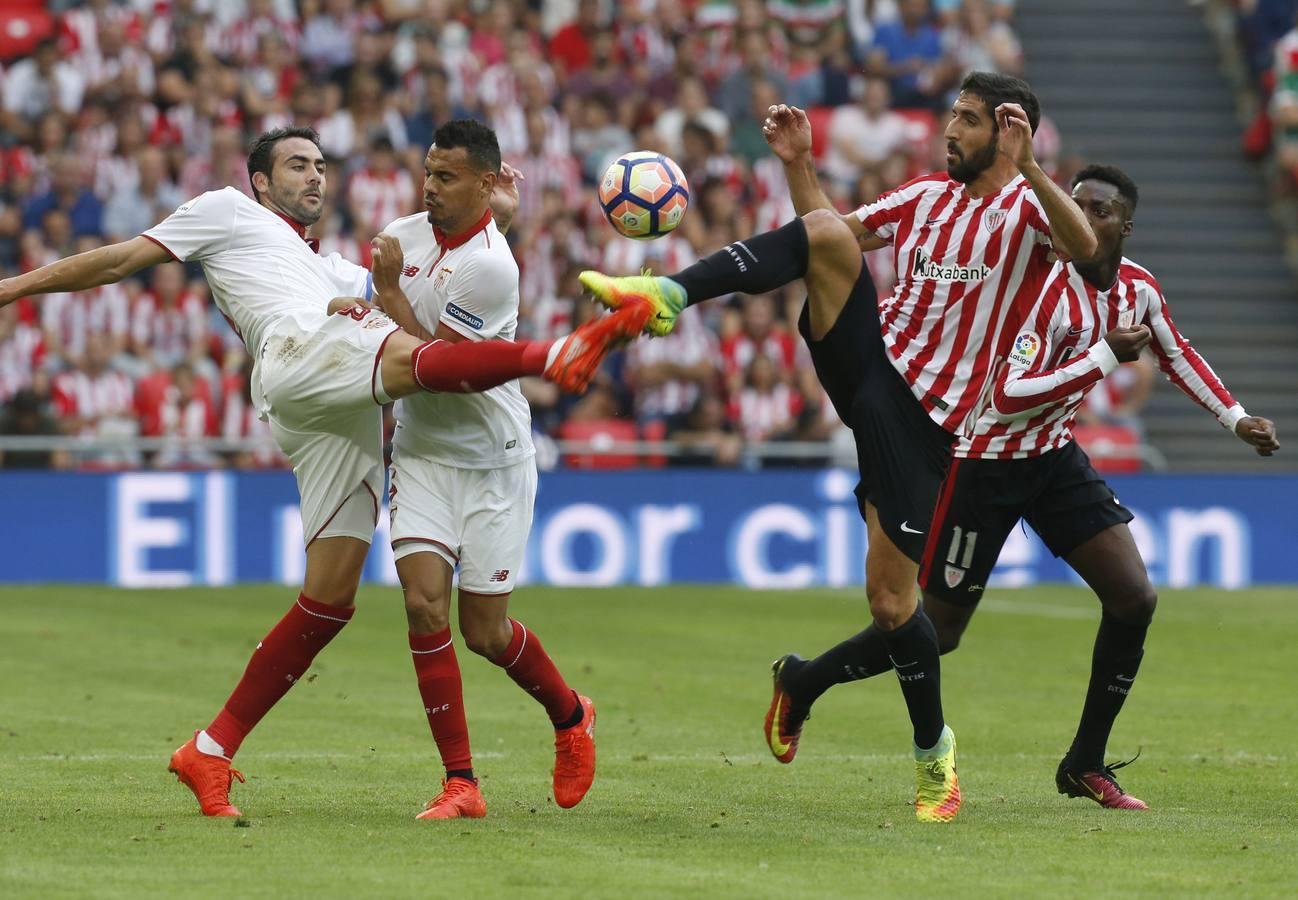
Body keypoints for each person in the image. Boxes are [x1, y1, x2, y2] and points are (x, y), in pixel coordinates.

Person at [0, 125, 650, 819]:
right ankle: (554, 355)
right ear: (259, 182)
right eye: (295, 165)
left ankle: (209, 751)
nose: (314, 176)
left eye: (319, 165)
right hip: (295, 359)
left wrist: (492, 220)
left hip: (349, 406)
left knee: (335, 595)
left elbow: (428, 294)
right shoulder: (226, 211)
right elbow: (116, 262)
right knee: (404, 371)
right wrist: (12, 287)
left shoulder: (333, 268)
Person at [580, 71, 1100, 822]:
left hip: (930, 430)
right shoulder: (925, 197)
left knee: (893, 605)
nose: (948, 130)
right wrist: (799, 167)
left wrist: (1030, 166)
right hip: (872, 370)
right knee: (825, 233)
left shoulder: (1029, 213)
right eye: (950, 115)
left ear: (1006, 131)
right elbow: (827, 239)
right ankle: (665, 295)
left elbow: (1085, 251)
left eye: (966, 120)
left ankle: (924, 750)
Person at [771, 166, 1281, 810]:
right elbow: (1009, 396)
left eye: (1098, 211)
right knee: (939, 630)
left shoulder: (1138, 291)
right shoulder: (1040, 288)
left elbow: (1176, 353)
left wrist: (1236, 418)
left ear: (1123, 227)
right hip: (981, 461)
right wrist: (1101, 355)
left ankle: (1085, 763)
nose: (1082, 219)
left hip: (1053, 458)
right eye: (1076, 205)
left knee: (1133, 598)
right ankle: (804, 682)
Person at [365, 120, 597, 821]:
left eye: (447, 177)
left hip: (492, 462)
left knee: (485, 634)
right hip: (424, 456)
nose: (429, 188)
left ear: (485, 183)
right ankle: (460, 782)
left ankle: (570, 714)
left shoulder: (494, 268)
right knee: (420, 604)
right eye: (429, 174)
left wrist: (386, 295)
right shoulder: (406, 235)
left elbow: (443, 371)